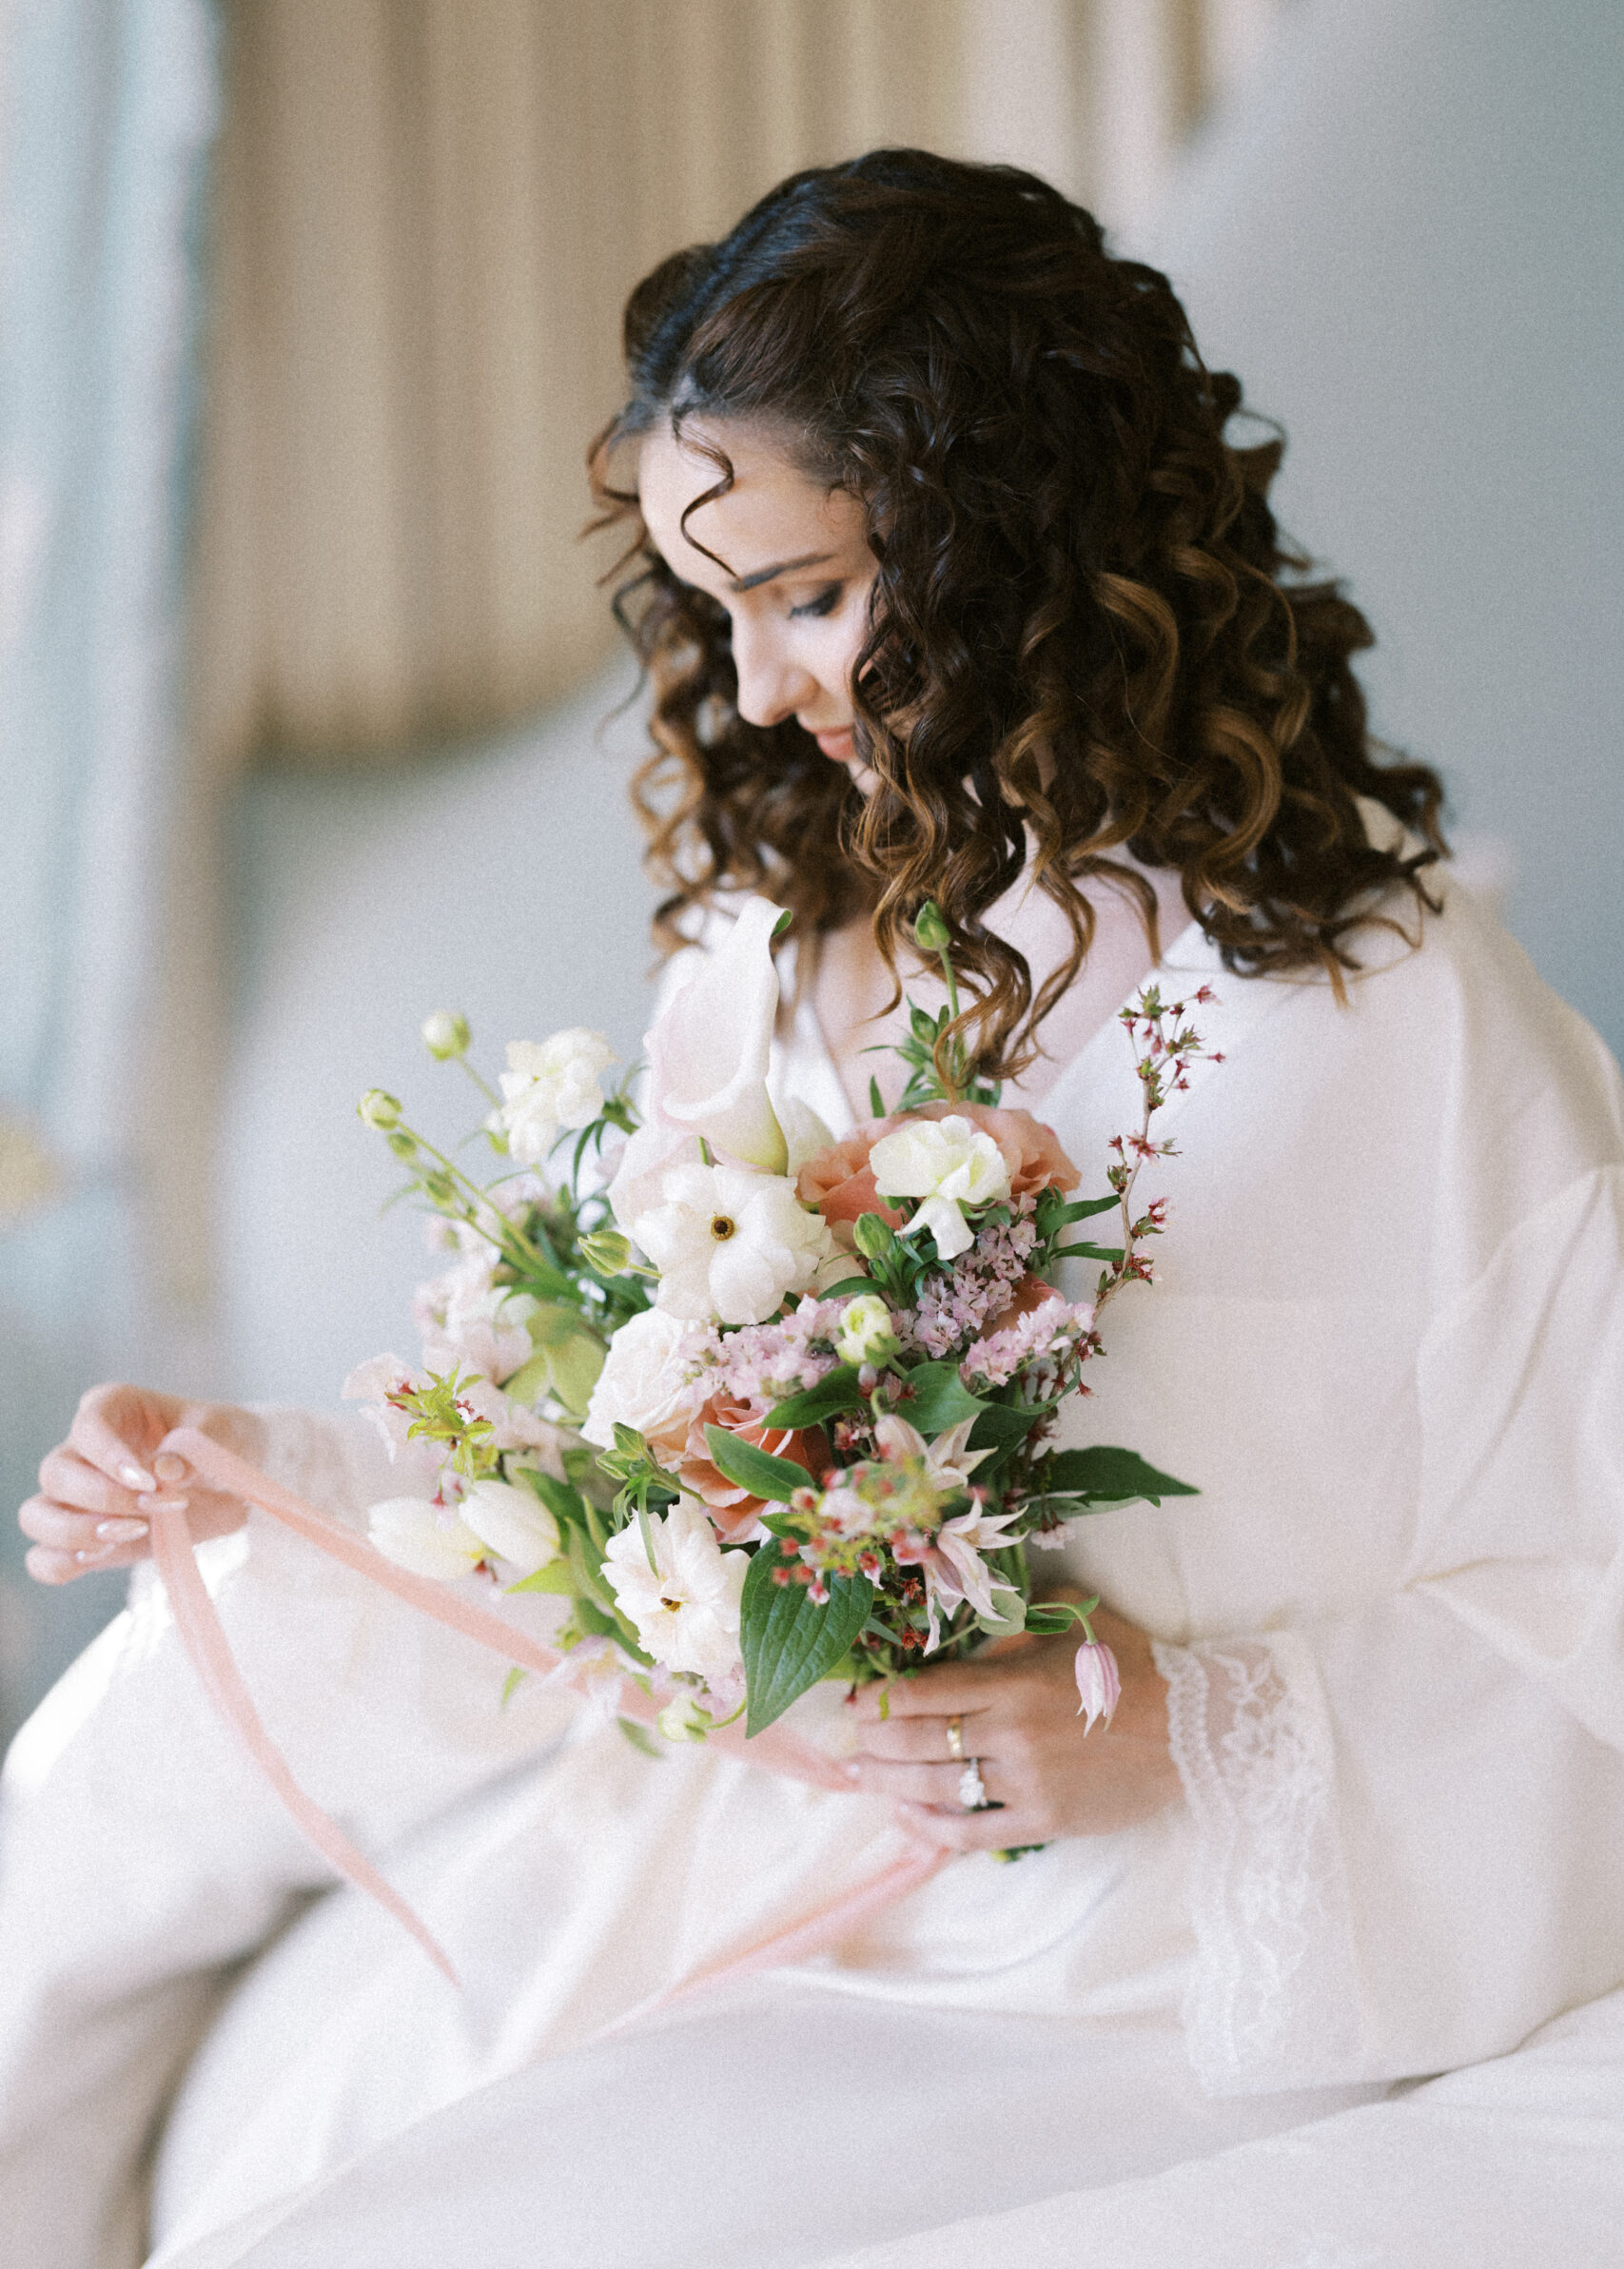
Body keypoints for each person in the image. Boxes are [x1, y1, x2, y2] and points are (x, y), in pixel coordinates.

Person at [5, 152, 1623, 2269]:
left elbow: (1586, 1596)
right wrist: (249, 1479)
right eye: (718, 607)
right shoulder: (769, 950)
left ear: (1011, 539)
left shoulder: (1379, 1008)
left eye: (808, 593)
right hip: (776, 1816)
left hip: (1134, 1928)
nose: (759, 685)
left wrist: (1177, 1731)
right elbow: (619, 1466)